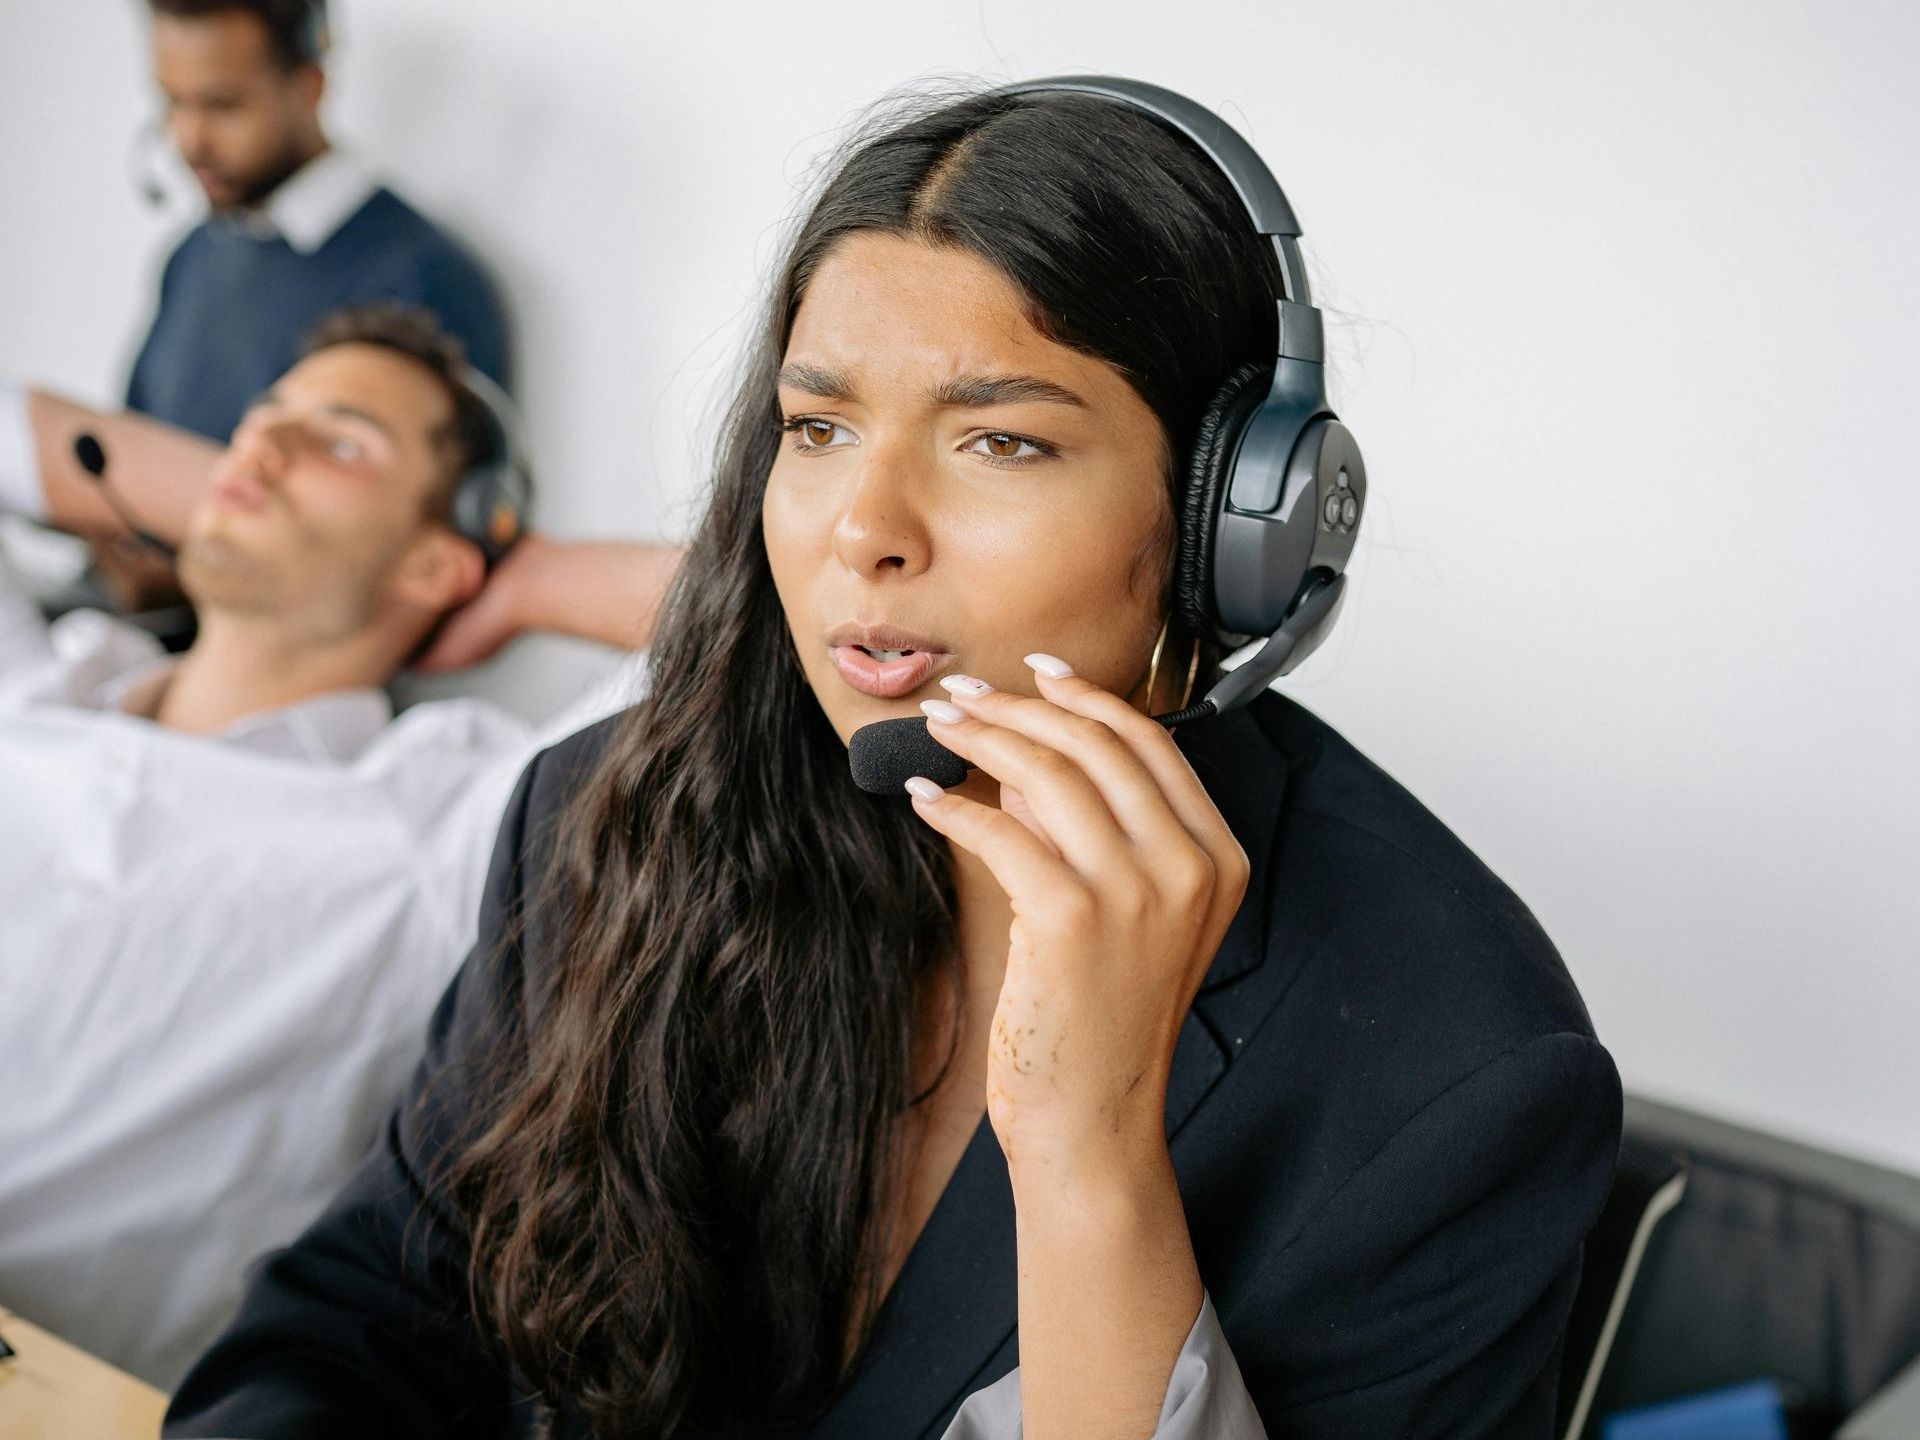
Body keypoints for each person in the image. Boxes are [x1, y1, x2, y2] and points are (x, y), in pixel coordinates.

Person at [164, 83, 1620, 1439]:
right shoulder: (610, 812)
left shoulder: (1461, 1075)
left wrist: (1087, 1153)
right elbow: (361, 1323)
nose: (866, 527)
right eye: (819, 427)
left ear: (1236, 525)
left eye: (1000, 442)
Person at [0, 304, 679, 1388]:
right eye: (262, 418)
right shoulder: (36, 680)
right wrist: (248, 483)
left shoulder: (439, 820)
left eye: (343, 441)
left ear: (435, 566)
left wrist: (525, 579)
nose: (261, 443)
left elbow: (778, 615)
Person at [127, 0, 509, 443]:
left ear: (310, 87)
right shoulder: (193, 257)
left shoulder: (423, 279)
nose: (189, 140)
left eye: (222, 105)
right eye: (172, 102)